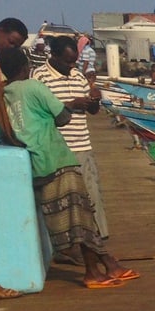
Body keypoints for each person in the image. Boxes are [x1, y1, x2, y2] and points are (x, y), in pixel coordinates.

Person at [0, 46, 137, 289]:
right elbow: (62, 117)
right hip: (57, 158)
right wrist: (69, 105)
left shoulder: (3, 94)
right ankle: (93, 271)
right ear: (25, 67)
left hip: (34, 163)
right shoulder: (33, 86)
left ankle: (109, 263)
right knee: (82, 217)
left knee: (69, 219)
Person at [36, 36, 109, 247]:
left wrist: (94, 100)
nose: (71, 66)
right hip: (57, 148)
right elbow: (40, 111)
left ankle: (99, 238)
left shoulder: (78, 76)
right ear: (54, 56)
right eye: (67, 62)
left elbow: (93, 111)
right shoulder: (39, 77)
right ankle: (66, 245)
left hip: (82, 145)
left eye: (74, 61)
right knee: (61, 198)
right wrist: (71, 103)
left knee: (92, 192)